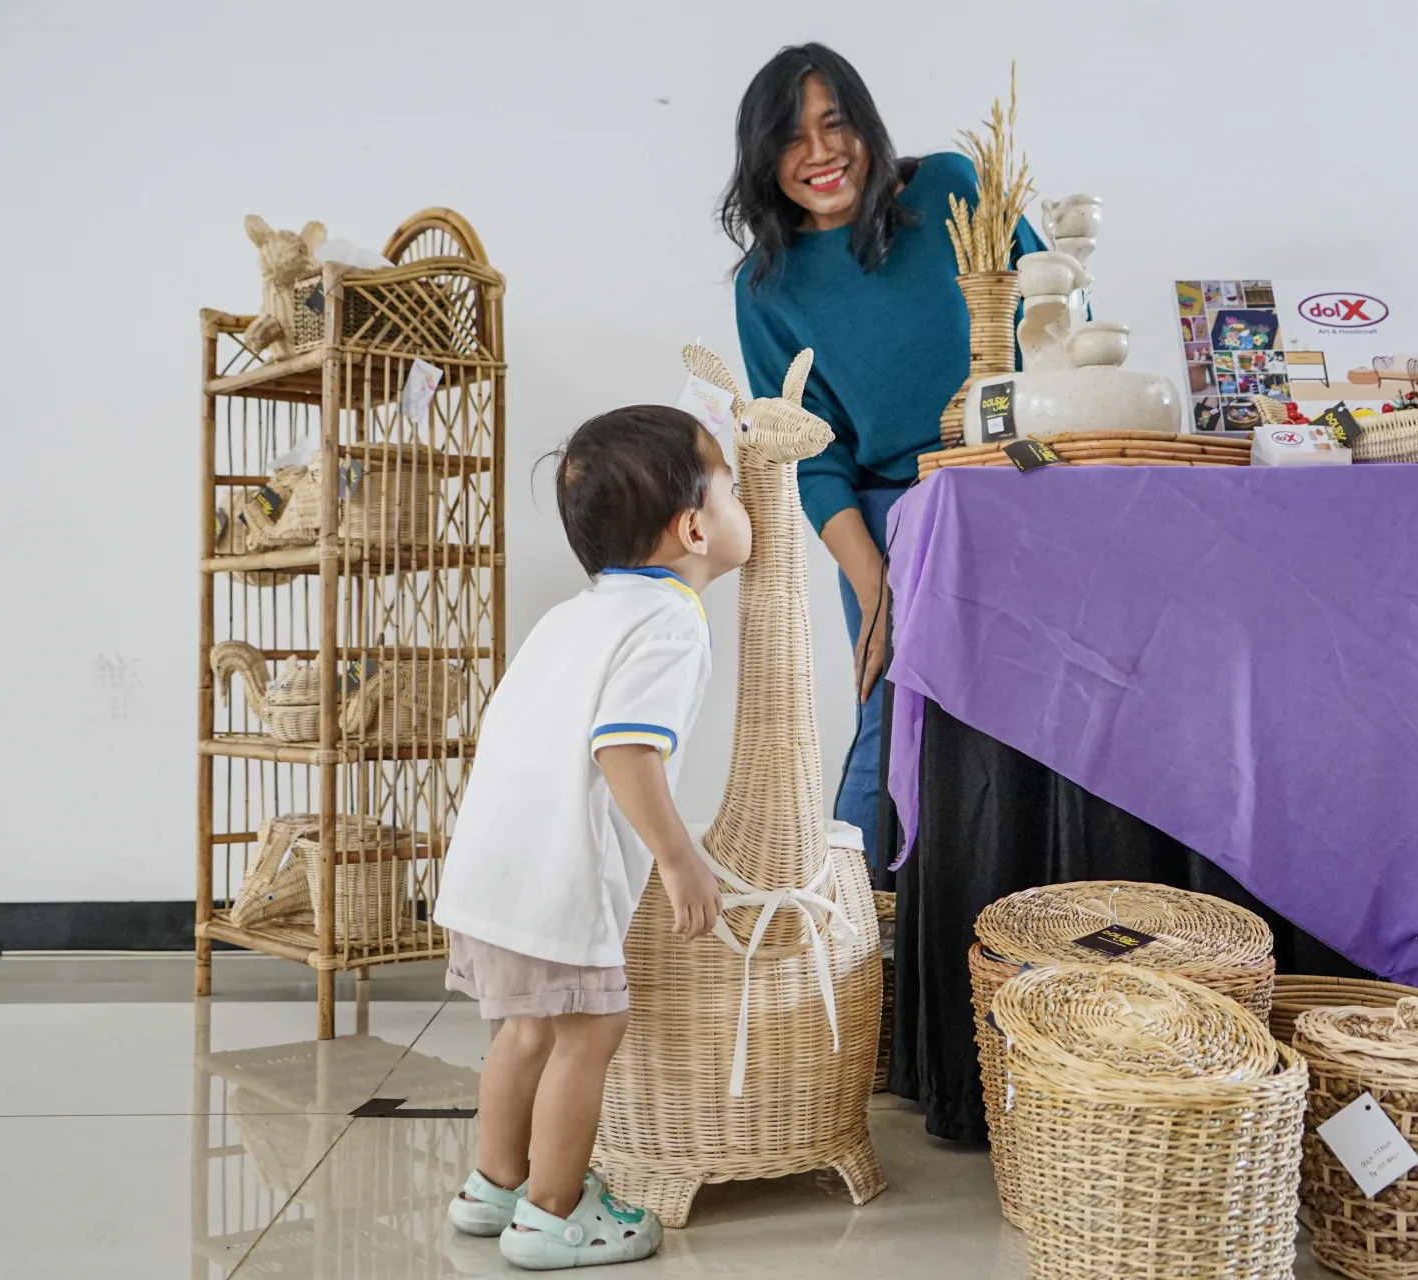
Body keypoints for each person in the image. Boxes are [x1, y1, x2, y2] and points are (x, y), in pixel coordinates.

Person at [431, 406, 744, 1270]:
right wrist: (680, 859)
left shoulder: (572, 617)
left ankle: (493, 1186)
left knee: (524, 1030)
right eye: (731, 487)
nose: (743, 504)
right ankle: (555, 1213)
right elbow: (625, 748)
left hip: (488, 873)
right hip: (557, 879)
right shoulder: (672, 621)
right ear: (694, 528)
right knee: (589, 1034)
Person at [725, 43, 1046, 870]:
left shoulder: (950, 188)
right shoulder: (767, 286)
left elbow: (1051, 310)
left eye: (835, 124)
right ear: (763, 158)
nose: (819, 152)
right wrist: (877, 592)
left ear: (866, 125)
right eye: (790, 138)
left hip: (1016, 482)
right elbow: (812, 455)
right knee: (893, 711)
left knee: (1039, 707)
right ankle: (849, 915)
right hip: (889, 512)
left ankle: (1031, 910)